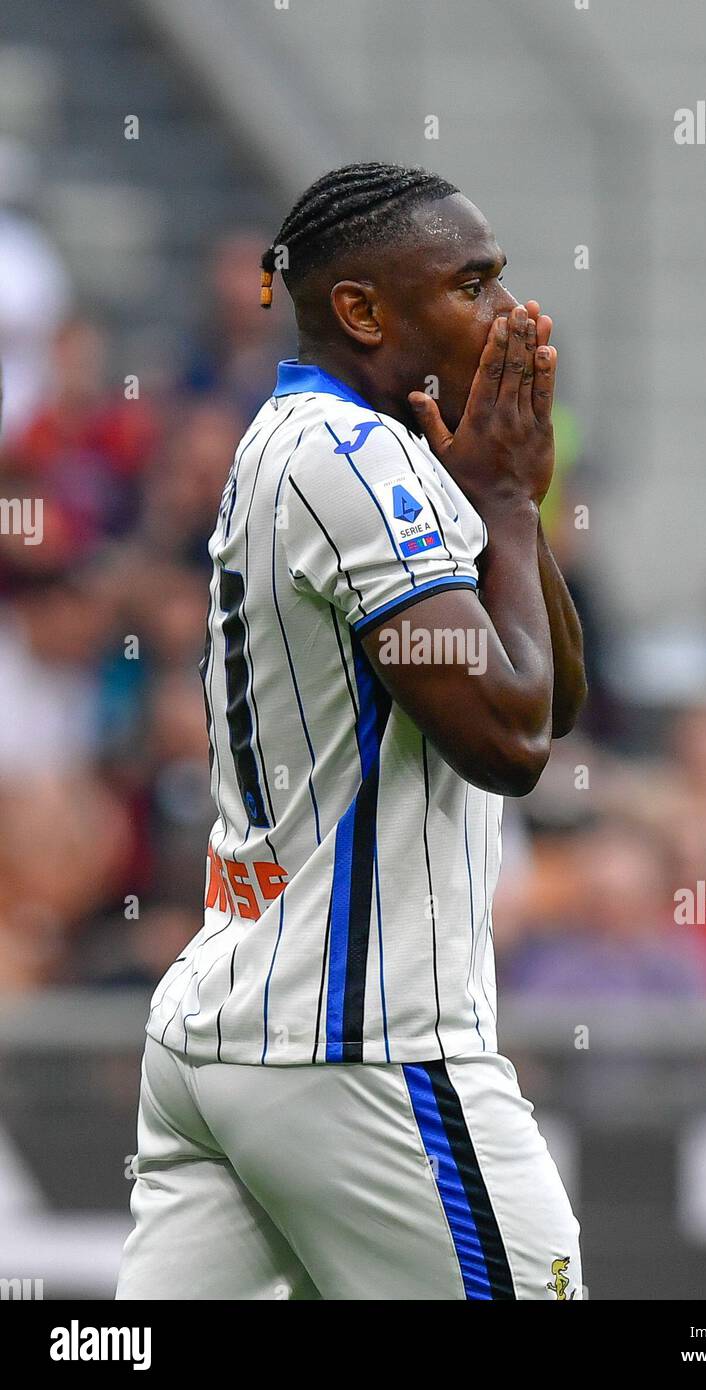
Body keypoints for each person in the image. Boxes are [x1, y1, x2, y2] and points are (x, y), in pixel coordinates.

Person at [116, 163, 587, 1301]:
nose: (505, 316)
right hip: (363, 1042)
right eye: (470, 284)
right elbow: (512, 744)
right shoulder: (356, 459)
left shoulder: (301, 439)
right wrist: (512, 508)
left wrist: (495, 509)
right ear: (365, 310)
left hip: (226, 1040)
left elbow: (548, 696)